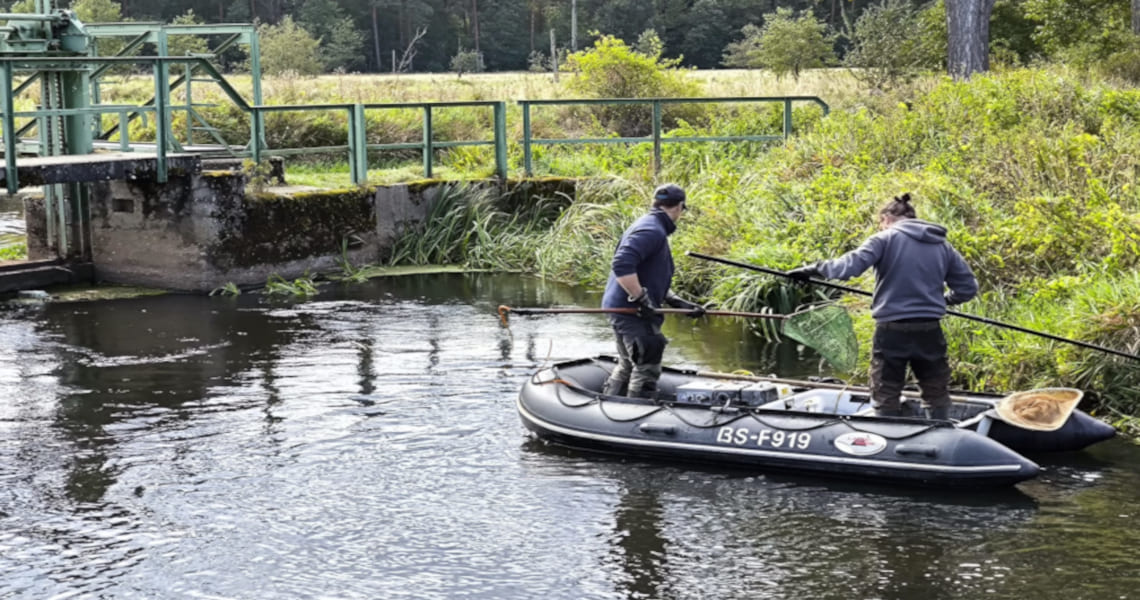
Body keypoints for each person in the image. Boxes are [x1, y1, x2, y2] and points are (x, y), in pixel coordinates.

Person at [786, 193, 978, 420]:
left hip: (892, 328)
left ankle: (885, 434)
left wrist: (811, 270)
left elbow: (847, 268)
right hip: (929, 327)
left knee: (885, 387)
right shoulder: (942, 245)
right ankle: (940, 429)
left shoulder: (884, 239)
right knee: (935, 386)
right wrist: (943, 300)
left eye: (880, 222)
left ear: (887, 218)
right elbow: (967, 288)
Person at [600, 183, 705, 398]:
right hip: (632, 312)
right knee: (647, 366)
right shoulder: (652, 230)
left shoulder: (648, 225)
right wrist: (641, 299)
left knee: (628, 364)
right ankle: (634, 419)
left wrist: (676, 301)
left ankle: (611, 405)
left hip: (619, 307)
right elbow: (622, 264)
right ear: (679, 207)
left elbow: (648, 275)